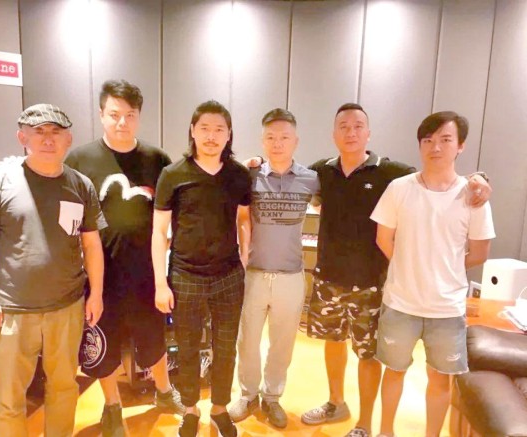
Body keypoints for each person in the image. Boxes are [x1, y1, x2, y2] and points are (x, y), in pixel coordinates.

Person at [296, 103, 491, 437]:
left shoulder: (392, 173)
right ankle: (335, 402)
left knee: (369, 355)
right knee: (333, 342)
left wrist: (480, 178)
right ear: (334, 133)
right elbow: (288, 171)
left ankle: (364, 424)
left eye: (358, 126)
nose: (351, 132)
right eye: (343, 126)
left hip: (372, 282)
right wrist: (255, 163)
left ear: (369, 133)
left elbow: (439, 174)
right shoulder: (321, 171)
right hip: (329, 276)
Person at [0, 104, 106, 437]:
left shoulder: (80, 185)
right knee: (11, 399)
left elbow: (91, 245)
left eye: (56, 132)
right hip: (13, 311)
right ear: (22, 137)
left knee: (64, 388)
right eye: (39, 132)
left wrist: (96, 293)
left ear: (69, 139)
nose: (48, 139)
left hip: (67, 307)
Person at [64, 80, 184, 437]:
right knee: (102, 343)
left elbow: (174, 212)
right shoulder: (80, 160)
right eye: (114, 114)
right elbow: (68, 220)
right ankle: (113, 406)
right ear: (101, 114)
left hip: (147, 271)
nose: (122, 122)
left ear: (139, 117)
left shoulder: (157, 160)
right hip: (100, 274)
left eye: (130, 115)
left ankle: (164, 392)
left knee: (154, 336)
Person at [371, 111, 495, 437]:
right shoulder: (399, 188)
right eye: (428, 140)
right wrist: (410, 263)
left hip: (447, 308)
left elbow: (480, 252)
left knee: (440, 379)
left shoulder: (474, 196)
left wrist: (443, 266)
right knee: (393, 372)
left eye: (445, 139)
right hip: (400, 302)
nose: (435, 147)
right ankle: (385, 432)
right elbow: (383, 239)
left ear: (460, 146)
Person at [152, 100, 252, 437]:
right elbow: (159, 231)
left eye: (219, 129)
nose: (211, 136)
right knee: (187, 346)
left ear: (229, 134)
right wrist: (160, 283)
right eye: (204, 128)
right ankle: (191, 409)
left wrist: (244, 259)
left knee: (225, 347)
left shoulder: (238, 175)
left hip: (229, 275)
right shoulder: (173, 174)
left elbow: (244, 219)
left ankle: (220, 408)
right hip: (185, 275)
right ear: (192, 131)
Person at [228, 108, 319, 429]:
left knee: (283, 343)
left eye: (284, 137)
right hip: (253, 274)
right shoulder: (249, 176)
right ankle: (248, 394)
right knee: (247, 340)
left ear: (296, 141)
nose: (277, 143)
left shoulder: (311, 179)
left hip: (291, 276)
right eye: (270, 137)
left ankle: (272, 396)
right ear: (262, 141)